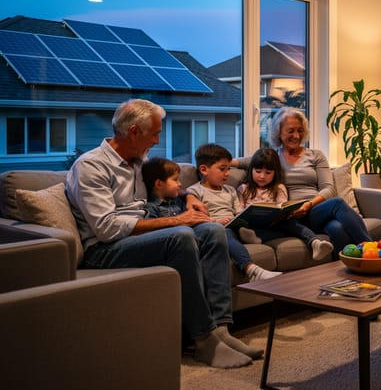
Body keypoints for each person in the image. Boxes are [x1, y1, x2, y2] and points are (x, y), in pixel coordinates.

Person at [65, 99, 259, 368]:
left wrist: (188, 196)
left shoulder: (137, 162)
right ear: (134, 132)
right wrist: (178, 220)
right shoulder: (91, 167)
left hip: (140, 239)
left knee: (213, 230)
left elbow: (167, 187)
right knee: (180, 235)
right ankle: (203, 341)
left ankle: (221, 330)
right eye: (155, 133)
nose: (157, 140)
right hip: (104, 250)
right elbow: (107, 228)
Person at [238, 107, 371, 251]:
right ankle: (371, 247)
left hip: (317, 211)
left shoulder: (316, 155)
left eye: (300, 130)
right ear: (278, 132)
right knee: (338, 203)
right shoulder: (273, 158)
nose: (296, 136)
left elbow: (329, 189)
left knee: (337, 229)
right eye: (290, 131)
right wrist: (218, 163)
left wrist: (309, 204)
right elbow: (247, 162)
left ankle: (350, 267)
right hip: (293, 216)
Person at [185, 144, 282, 282]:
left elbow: (238, 211)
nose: (227, 173)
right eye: (222, 169)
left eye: (229, 169)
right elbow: (194, 218)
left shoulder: (230, 190)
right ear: (204, 170)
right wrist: (216, 222)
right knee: (226, 232)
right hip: (216, 229)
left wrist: (243, 217)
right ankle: (251, 269)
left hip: (235, 226)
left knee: (277, 228)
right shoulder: (194, 192)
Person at [237, 147, 334, 261]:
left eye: (268, 173)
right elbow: (239, 211)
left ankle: (315, 242)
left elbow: (282, 207)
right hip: (252, 226)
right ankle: (256, 236)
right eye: (258, 171)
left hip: (276, 225)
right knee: (241, 231)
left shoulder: (279, 188)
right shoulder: (243, 189)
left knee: (290, 224)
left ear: (275, 173)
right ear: (251, 170)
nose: (262, 176)